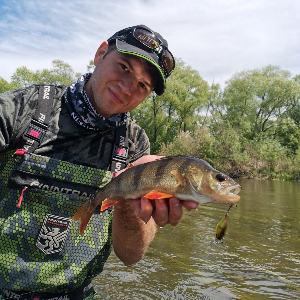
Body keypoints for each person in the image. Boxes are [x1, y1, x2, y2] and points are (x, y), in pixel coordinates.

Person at [0, 25, 198, 299]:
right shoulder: (25, 108)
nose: (127, 88)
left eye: (142, 85)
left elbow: (130, 256)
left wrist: (130, 196)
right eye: (124, 67)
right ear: (101, 53)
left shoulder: (135, 145)